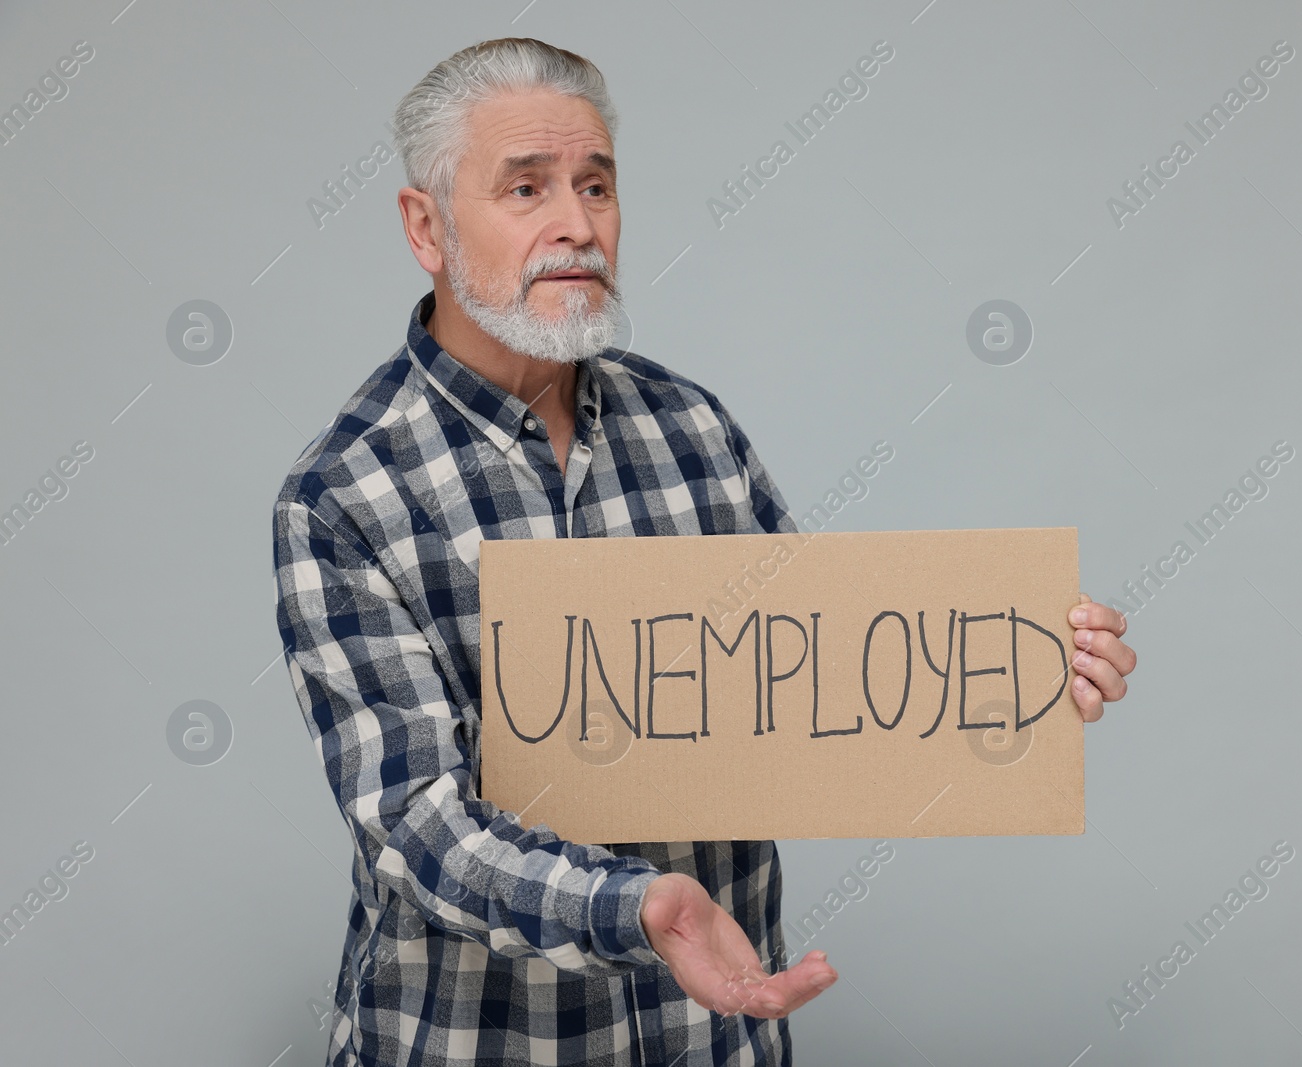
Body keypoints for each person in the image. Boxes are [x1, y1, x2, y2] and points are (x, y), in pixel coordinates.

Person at [271, 36, 1136, 1067]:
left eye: (597, 184)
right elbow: (419, 824)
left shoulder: (691, 427)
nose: (578, 226)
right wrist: (640, 909)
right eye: (527, 188)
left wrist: (1020, 669)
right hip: (480, 1041)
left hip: (709, 1040)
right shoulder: (343, 496)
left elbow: (814, 687)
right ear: (427, 226)